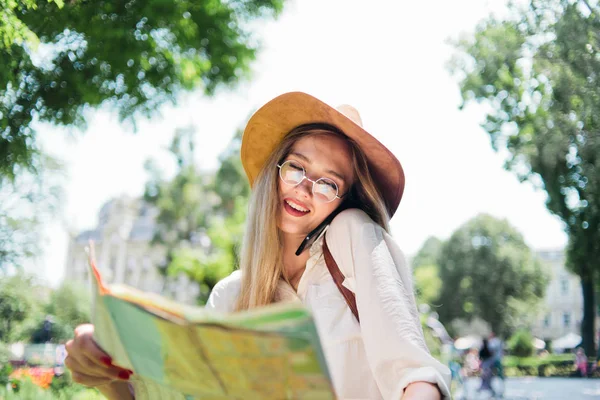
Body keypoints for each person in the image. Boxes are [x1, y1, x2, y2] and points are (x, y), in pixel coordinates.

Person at [64, 92, 452, 399]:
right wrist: (107, 378)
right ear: (275, 171)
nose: (306, 187)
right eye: (297, 167)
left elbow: (416, 376)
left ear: (344, 200)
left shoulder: (353, 231)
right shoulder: (230, 296)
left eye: (329, 183)